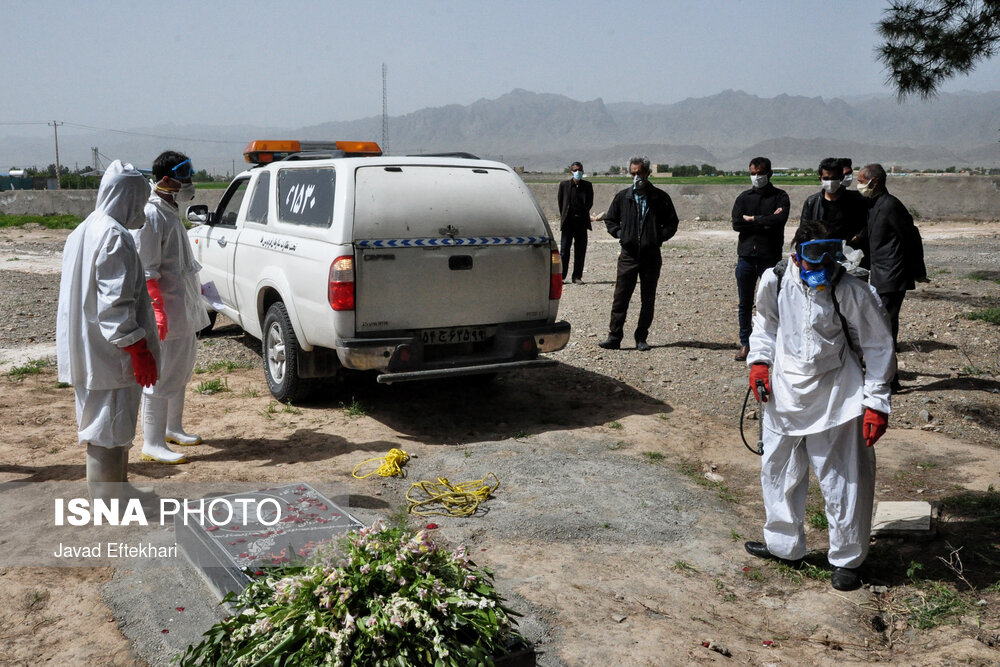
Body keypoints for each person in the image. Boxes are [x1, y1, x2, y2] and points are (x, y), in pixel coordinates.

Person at [744, 220, 895, 591]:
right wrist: (760, 362)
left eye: (830, 255)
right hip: (784, 394)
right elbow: (765, 323)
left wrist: (876, 402)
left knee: (843, 479)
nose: (822, 265)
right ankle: (784, 545)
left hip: (837, 396)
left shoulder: (854, 291)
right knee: (778, 471)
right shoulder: (775, 280)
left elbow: (878, 347)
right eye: (813, 256)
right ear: (797, 253)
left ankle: (847, 559)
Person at [57, 160, 160, 499]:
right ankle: (109, 501)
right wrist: (138, 350)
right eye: (140, 202)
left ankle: (119, 489)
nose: (142, 210)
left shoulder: (86, 228)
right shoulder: (114, 235)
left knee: (108, 422)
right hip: (111, 354)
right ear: (127, 198)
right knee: (107, 425)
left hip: (91, 349)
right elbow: (115, 306)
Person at [131, 151, 210, 464]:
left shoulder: (170, 210)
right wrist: (156, 310)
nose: (188, 183)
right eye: (182, 176)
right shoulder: (151, 215)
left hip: (184, 310)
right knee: (160, 377)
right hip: (166, 313)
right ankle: (151, 441)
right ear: (165, 180)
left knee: (180, 370)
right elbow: (147, 268)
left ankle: (172, 428)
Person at [596, 156, 679, 351]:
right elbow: (611, 220)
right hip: (629, 256)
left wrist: (657, 237)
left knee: (647, 298)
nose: (636, 177)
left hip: (651, 256)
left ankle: (641, 337)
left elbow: (672, 223)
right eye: (632, 173)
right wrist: (621, 234)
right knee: (621, 297)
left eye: (639, 173)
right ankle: (614, 336)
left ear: (647, 173)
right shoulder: (623, 197)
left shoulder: (660, 198)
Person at [857, 163, 926, 393]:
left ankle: (890, 379)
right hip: (881, 273)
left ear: (874, 182)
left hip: (892, 275)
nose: (859, 185)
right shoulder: (875, 204)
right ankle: (887, 376)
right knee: (882, 324)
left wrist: (917, 270)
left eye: (861, 180)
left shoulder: (891, 205)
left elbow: (910, 237)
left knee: (885, 327)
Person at [731, 157, 790, 361]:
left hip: (770, 257)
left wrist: (753, 218)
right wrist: (765, 222)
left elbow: (779, 220)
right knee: (745, 303)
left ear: (769, 173)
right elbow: (737, 224)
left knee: (772, 301)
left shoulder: (780, 197)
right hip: (746, 256)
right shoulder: (744, 197)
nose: (756, 177)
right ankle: (746, 343)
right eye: (753, 173)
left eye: (760, 173)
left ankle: (774, 342)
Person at [800, 158, 869, 263]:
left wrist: (859, 237)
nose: (830, 182)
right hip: (821, 256)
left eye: (834, 178)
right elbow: (803, 231)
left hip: (849, 255)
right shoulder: (812, 202)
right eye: (826, 178)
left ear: (841, 178)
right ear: (820, 179)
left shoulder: (857, 200)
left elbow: (870, 222)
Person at [556, 161, 594, 284]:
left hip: (581, 223)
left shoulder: (587, 186)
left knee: (580, 250)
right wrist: (565, 216)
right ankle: (561, 276)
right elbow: (561, 203)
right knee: (565, 250)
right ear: (571, 172)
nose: (578, 172)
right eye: (575, 170)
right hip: (568, 223)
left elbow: (589, 202)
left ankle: (577, 276)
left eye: (580, 170)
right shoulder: (564, 185)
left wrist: (583, 213)